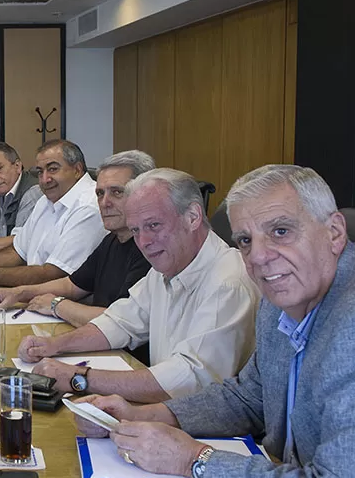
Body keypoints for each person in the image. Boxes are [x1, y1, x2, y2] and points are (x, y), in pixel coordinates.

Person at [77, 165, 355, 478]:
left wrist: (195, 461)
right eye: (245, 240)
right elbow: (249, 395)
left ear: (335, 233)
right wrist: (145, 414)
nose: (258, 257)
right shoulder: (281, 299)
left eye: (280, 231)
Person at [18, 168, 259, 403]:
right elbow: (120, 322)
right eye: (136, 229)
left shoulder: (228, 283)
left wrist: (79, 378)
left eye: (154, 225)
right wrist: (53, 346)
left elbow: (189, 381)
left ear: (193, 217)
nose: (143, 242)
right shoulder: (166, 267)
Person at [0, 150, 154, 328]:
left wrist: (57, 305)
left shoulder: (150, 247)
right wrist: (19, 293)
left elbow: (122, 319)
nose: (104, 203)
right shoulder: (112, 240)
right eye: (100, 194)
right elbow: (72, 285)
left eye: (117, 192)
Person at [0, 139, 108, 288]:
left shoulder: (89, 206)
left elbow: (53, 274)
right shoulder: (45, 201)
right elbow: (17, 252)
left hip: (65, 306)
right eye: (40, 172)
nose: (45, 179)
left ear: (77, 169)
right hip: (35, 298)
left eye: (53, 169)